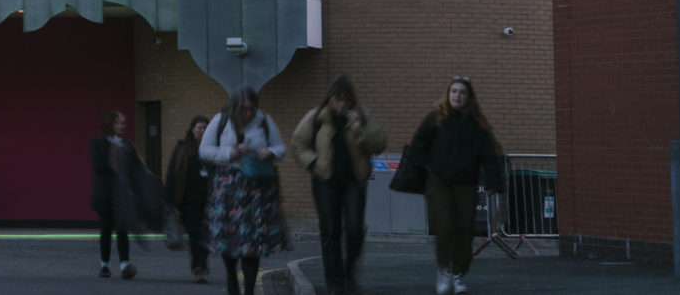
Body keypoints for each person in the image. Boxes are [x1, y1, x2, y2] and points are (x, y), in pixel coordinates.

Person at [408, 78, 505, 295]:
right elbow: (418, 143)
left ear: (469, 97)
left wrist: (493, 182)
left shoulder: (477, 124)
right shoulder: (436, 119)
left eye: (462, 92)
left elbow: (490, 155)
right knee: (444, 225)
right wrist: (425, 166)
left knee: (465, 227)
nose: (457, 96)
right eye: (453, 91)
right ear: (447, 94)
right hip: (439, 181)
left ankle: (459, 272)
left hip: (466, 182)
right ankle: (444, 269)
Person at [291, 78, 387, 295]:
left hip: (354, 182)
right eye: (337, 100)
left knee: (354, 229)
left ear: (351, 100)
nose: (341, 105)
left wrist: (359, 130)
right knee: (330, 231)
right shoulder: (317, 117)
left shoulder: (362, 116)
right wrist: (313, 162)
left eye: (345, 100)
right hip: (325, 182)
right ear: (330, 98)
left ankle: (349, 274)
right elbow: (298, 144)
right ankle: (335, 285)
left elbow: (380, 144)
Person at [202, 86, 289, 295]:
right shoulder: (220, 120)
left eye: (252, 108)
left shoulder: (264, 121)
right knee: (228, 239)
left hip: (256, 190)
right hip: (227, 187)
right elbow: (204, 150)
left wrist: (269, 152)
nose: (248, 113)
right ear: (235, 107)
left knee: (253, 243)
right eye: (244, 109)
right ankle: (232, 279)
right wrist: (229, 152)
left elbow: (280, 148)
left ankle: (249, 290)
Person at [163, 115, 214, 283]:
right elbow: (173, 173)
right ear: (192, 129)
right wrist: (170, 199)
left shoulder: (213, 149)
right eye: (199, 128)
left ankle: (202, 263)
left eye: (205, 128)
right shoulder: (183, 149)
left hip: (209, 199)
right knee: (194, 234)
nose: (202, 131)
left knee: (207, 235)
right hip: (188, 200)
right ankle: (198, 267)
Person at [93, 110, 140, 279]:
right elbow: (99, 166)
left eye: (123, 123)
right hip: (105, 194)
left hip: (122, 194)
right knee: (106, 230)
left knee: (122, 229)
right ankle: (104, 265)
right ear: (110, 124)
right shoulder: (99, 144)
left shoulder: (127, 144)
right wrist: (115, 153)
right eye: (119, 123)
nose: (122, 126)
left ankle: (124, 264)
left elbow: (135, 166)